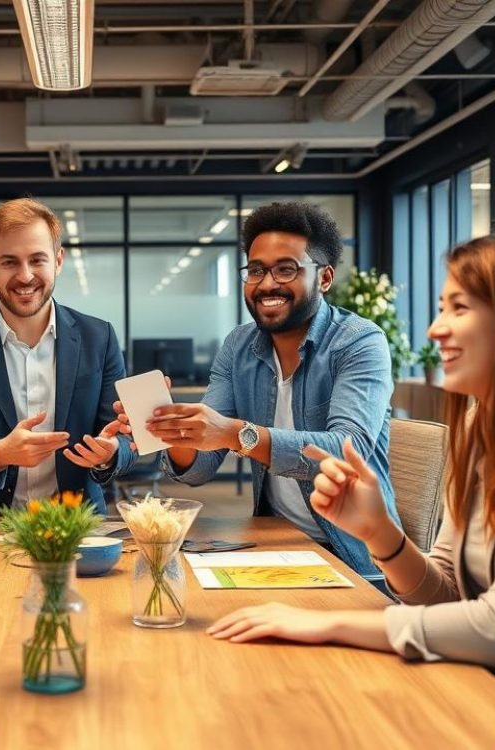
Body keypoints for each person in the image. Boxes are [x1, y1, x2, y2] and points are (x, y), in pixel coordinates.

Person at [208, 234, 495, 728]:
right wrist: (381, 534)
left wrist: (328, 623)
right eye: (441, 308)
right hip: (488, 700)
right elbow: (445, 593)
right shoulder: (483, 425)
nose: (436, 329)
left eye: (459, 308)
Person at [123, 201, 398, 577]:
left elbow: (347, 455)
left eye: (286, 269)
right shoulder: (239, 346)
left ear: (324, 278)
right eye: (256, 270)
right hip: (276, 546)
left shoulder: (359, 341)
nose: (267, 284)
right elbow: (200, 469)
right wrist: (174, 429)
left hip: (355, 559)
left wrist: (236, 434)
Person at [0, 197, 133, 515]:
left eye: (37, 260)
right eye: (9, 262)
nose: (26, 275)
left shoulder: (99, 338)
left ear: (58, 261)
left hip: (75, 525)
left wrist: (110, 452)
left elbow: (124, 440)